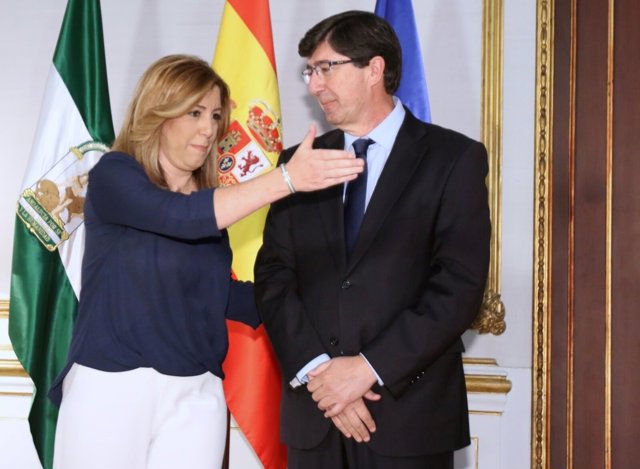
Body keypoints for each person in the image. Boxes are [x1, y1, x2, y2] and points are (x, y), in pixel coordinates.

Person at [48, 54, 363, 469]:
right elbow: (177, 217)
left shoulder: (211, 205)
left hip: (198, 394)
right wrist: (287, 179)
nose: (209, 128)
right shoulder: (115, 175)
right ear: (157, 112)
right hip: (111, 386)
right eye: (194, 112)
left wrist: (343, 294)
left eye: (215, 115)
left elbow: (223, 294)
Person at [254, 11, 491, 469]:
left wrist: (367, 368)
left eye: (326, 68)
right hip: (315, 415)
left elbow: (458, 286)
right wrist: (321, 375)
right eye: (310, 71)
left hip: (409, 416)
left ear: (375, 69)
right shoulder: (299, 162)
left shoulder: (452, 159)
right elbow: (273, 276)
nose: (314, 85)